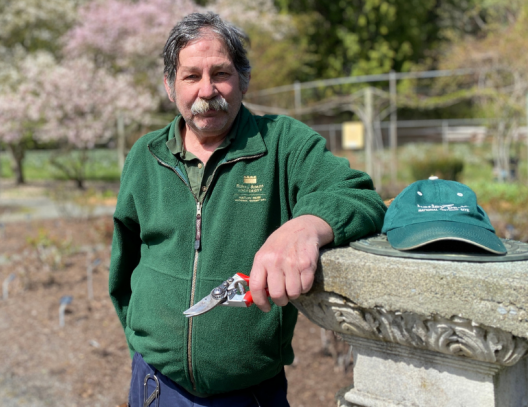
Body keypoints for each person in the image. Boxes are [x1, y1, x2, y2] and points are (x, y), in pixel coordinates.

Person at [109, 11, 386, 407]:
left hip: (249, 394)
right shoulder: (146, 155)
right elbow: (124, 266)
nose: (207, 90)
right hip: (156, 386)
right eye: (191, 77)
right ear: (171, 86)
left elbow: (357, 195)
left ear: (243, 79)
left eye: (220, 73)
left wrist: (305, 226)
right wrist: (144, 340)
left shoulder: (282, 143)